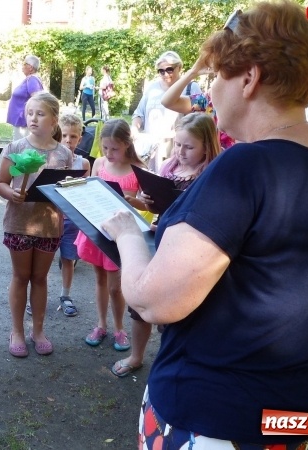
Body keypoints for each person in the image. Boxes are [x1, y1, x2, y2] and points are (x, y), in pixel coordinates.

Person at [101, 2, 308, 448]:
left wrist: (128, 235)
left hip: (228, 416)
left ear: (249, 78)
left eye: (217, 75)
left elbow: (154, 302)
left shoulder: (247, 163)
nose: (212, 89)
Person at [111, 113, 221, 377]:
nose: (181, 152)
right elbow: (158, 204)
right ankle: (136, 355)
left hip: (187, 249)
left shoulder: (210, 175)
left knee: (174, 311)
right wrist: (149, 201)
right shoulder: (170, 167)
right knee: (142, 302)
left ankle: (172, 364)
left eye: (189, 147)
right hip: (158, 239)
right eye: (178, 144)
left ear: (207, 145)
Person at [0, 91, 73, 357]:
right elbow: (1, 183)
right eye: (30, 113)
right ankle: (17, 330)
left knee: (40, 278)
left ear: (54, 120)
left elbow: (67, 190)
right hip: (19, 222)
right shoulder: (16, 148)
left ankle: (38, 330)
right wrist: (12, 194)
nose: (34, 118)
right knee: (21, 276)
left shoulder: (63, 153)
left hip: (49, 225)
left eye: (40, 114)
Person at [77, 119, 147, 352]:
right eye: (105, 147)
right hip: (97, 230)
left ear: (127, 144)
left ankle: (120, 329)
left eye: (114, 148)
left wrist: (132, 200)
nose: (108, 153)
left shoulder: (138, 167)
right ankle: (101, 325)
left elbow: (147, 204)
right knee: (99, 280)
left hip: (122, 237)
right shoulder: (98, 163)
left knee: (116, 287)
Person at [132, 51, 201, 165]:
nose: (165, 74)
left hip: (178, 151)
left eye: (169, 69)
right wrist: (134, 129)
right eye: (161, 71)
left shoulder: (192, 87)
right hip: (151, 151)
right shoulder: (152, 88)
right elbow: (139, 113)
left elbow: (201, 120)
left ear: (179, 67)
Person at [56, 114, 91, 317]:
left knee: (69, 259)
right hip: (51, 219)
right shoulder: (50, 159)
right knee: (41, 263)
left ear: (80, 138)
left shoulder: (83, 163)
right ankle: (35, 298)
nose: (68, 141)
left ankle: (66, 295)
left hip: (72, 220)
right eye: (64, 136)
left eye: (73, 136)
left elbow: (87, 191)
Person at [6, 55, 44, 141]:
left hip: (23, 121)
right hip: (21, 121)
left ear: (30, 67)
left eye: (24, 64)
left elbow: (37, 100)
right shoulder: (29, 79)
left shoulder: (32, 80)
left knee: (21, 146)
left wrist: (31, 116)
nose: (22, 66)